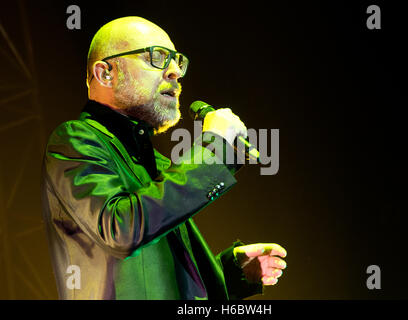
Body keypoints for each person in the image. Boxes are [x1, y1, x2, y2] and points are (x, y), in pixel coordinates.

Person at [41, 16, 287, 300]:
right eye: (157, 57)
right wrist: (213, 150)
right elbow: (119, 229)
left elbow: (164, 287)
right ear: (105, 73)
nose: (175, 72)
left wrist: (231, 273)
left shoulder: (156, 164)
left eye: (177, 61)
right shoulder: (74, 140)